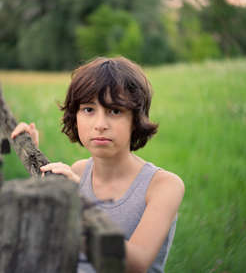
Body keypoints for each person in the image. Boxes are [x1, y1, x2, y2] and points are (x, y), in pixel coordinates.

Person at [11, 56, 185, 273]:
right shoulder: (79, 171)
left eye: (115, 111)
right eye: (88, 110)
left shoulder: (163, 186)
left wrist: (77, 205)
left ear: (136, 119)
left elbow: (137, 262)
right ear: (75, 116)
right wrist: (32, 152)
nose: (100, 125)